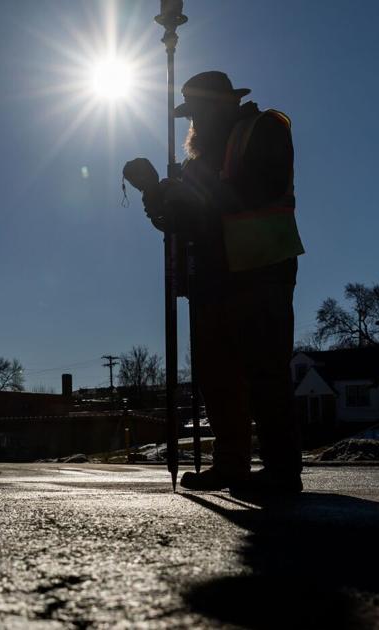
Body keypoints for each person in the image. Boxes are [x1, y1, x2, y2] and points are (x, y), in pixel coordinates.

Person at [127, 71, 305, 495]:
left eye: (201, 110)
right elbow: (179, 224)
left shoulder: (263, 130)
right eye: (191, 114)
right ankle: (231, 465)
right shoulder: (197, 160)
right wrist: (154, 190)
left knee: (264, 372)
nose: (195, 121)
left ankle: (282, 470)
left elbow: (261, 188)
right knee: (217, 377)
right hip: (210, 280)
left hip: (260, 270)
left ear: (225, 104)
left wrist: (193, 194)